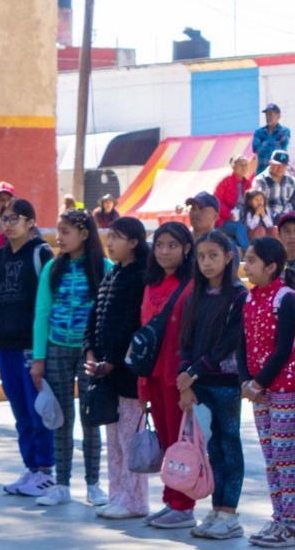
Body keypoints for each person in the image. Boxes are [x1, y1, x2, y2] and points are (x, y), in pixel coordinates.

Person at [29, 209, 107, 508]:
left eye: (65, 232)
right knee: (60, 419)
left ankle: (93, 484)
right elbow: (41, 314)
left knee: (91, 419)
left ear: (84, 234)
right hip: (57, 349)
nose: (58, 237)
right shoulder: (52, 268)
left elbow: (106, 315)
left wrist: (100, 354)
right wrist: (39, 358)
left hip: (90, 354)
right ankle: (61, 484)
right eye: (58, 231)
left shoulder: (104, 267)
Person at [177, 230, 249, 539]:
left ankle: (229, 513)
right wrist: (186, 379)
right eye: (202, 257)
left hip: (225, 382)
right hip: (198, 383)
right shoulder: (194, 294)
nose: (206, 263)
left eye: (213, 256)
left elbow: (228, 344)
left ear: (229, 257)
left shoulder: (238, 295)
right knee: (212, 448)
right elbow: (186, 342)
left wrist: (193, 372)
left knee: (229, 444)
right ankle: (217, 508)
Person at [240, 236, 295, 548]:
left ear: (271, 266)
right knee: (269, 457)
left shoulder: (286, 299)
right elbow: (242, 343)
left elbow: (282, 350)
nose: (246, 265)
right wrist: (245, 380)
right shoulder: (250, 298)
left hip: (284, 388)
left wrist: (259, 382)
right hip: (259, 390)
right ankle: (278, 517)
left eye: (252, 260)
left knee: (284, 456)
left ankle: (292, 524)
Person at [0, 199, 55, 498]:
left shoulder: (42, 253)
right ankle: (30, 468)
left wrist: (43, 350)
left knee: (37, 409)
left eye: (16, 218)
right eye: (4, 218)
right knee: (20, 411)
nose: (9, 223)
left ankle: (46, 471)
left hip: (32, 345)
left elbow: (49, 301)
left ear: (30, 222)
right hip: (4, 344)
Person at [85, 216, 151, 522]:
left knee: (129, 438)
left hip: (126, 372)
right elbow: (95, 314)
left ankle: (135, 500)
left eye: (116, 237)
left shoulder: (140, 276)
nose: (109, 243)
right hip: (105, 370)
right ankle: (117, 495)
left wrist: (111, 358)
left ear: (134, 243)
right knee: (113, 438)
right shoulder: (112, 275)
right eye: (108, 237)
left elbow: (129, 324)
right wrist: (90, 350)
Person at [138, 222, 199, 531]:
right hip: (153, 374)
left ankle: (184, 504)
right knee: (165, 439)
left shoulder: (191, 284)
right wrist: (141, 380)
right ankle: (170, 500)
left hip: (178, 376)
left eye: (172, 245)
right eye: (159, 244)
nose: (163, 251)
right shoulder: (150, 284)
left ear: (186, 249)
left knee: (180, 441)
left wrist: (189, 376)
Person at [215, 155, 255, 245]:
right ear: (233, 166)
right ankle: (248, 253)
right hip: (224, 220)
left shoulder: (247, 183)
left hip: (243, 218)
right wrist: (228, 214)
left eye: (246, 165)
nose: (244, 168)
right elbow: (216, 201)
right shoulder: (225, 181)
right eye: (241, 165)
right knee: (240, 227)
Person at [256, 152, 295, 219]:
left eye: (283, 166)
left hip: (288, 219)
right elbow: (258, 205)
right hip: (268, 219)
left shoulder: (291, 181)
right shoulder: (260, 181)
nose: (280, 168)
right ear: (270, 163)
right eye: (277, 165)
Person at [252, 101, 290, 171]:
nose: (268, 117)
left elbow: (282, 149)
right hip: (262, 170)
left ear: (278, 116)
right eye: (266, 115)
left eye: (270, 114)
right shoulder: (259, 132)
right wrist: (274, 143)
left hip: (278, 171)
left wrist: (264, 144)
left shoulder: (284, 131)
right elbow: (256, 149)